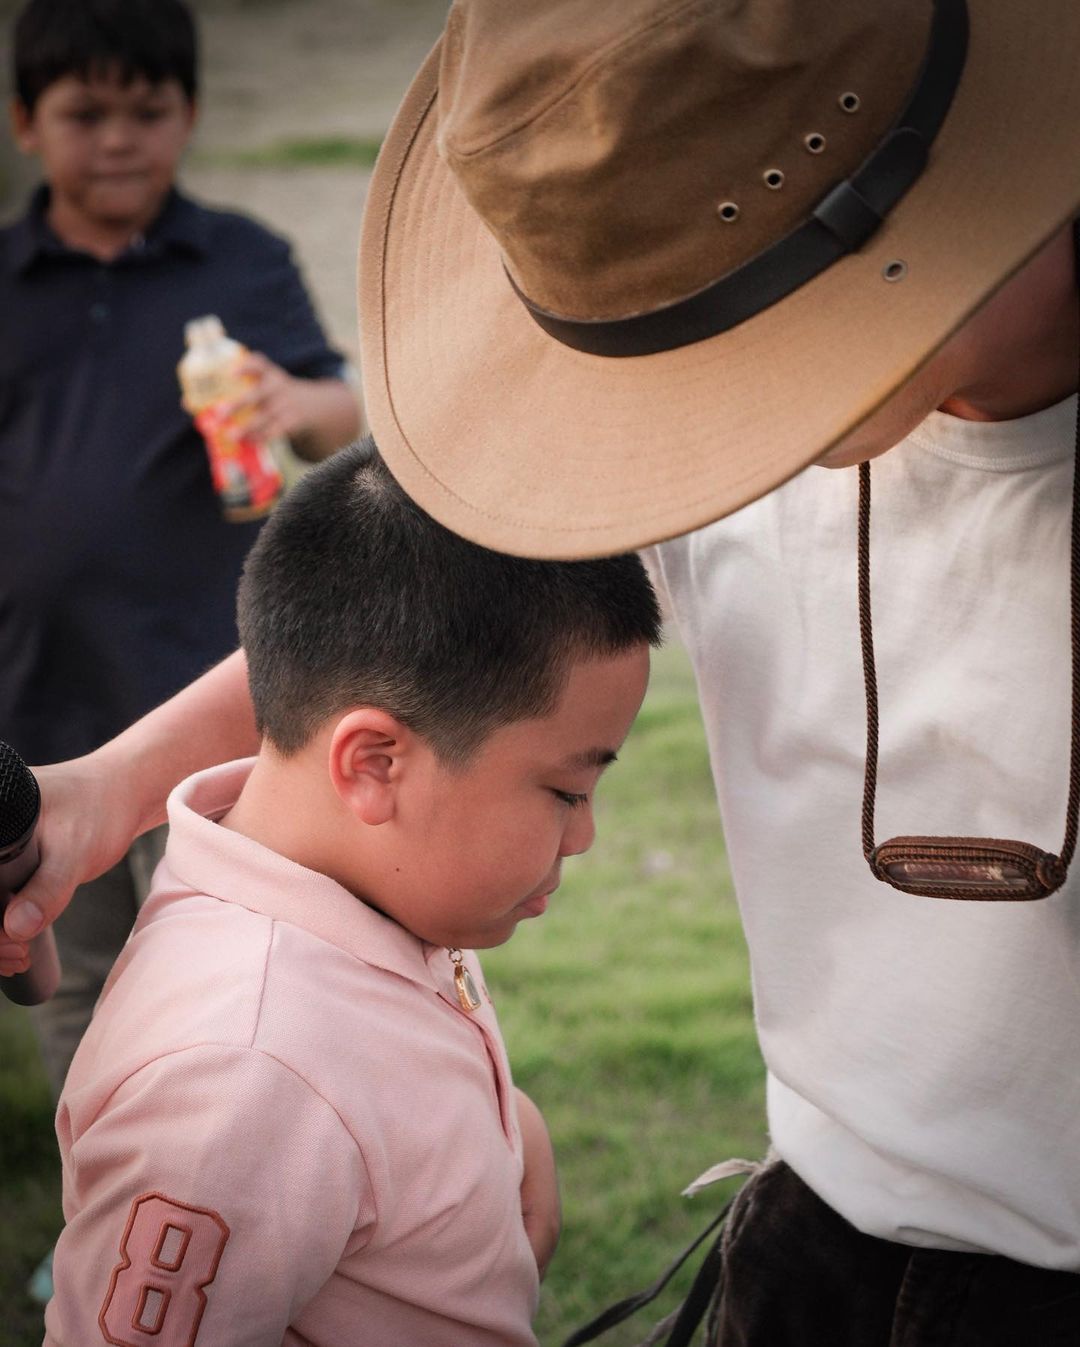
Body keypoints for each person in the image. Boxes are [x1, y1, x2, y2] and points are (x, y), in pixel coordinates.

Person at [6, 0, 1080, 1341]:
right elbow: (401, 634)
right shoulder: (709, 390)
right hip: (818, 1206)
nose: (690, 391)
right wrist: (108, 786)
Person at [43, 436, 660, 1346]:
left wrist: (489, 1133)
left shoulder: (363, 886)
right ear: (374, 763)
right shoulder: (238, 1082)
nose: (585, 834)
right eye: (565, 791)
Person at [1, 0, 360, 1105]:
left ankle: (234, 1191)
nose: (118, 138)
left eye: (148, 111)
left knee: (235, 960)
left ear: (190, 114)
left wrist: (289, 397)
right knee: (78, 977)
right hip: (37, 692)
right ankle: (93, 1225)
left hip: (207, 694)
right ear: (25, 124)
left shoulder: (241, 259)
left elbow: (334, 414)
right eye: (85, 113)